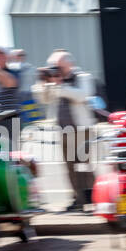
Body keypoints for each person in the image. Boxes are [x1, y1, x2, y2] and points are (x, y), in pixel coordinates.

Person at [34, 50, 97, 212]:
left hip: (82, 130)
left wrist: (60, 85)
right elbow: (44, 100)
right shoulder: (55, 81)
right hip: (64, 131)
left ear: (68, 64)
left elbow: (82, 96)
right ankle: (78, 199)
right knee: (70, 168)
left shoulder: (82, 77)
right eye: (52, 66)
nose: (54, 69)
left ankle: (94, 197)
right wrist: (44, 83)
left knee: (84, 165)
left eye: (57, 66)